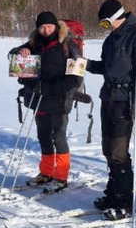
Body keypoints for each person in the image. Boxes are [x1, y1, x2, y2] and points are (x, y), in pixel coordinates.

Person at [86, 0, 136, 220]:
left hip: (126, 99)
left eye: (105, 23)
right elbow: (105, 67)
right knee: (107, 148)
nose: (104, 28)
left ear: (116, 17)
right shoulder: (111, 40)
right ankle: (113, 194)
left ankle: (124, 201)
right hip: (109, 97)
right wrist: (84, 64)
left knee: (118, 151)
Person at [9, 11, 83, 192]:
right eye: (42, 27)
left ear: (56, 26)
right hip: (39, 100)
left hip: (60, 99)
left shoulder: (69, 45)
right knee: (43, 137)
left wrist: (48, 89)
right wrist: (20, 51)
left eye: (49, 26)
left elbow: (76, 79)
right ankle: (46, 172)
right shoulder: (34, 44)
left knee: (58, 137)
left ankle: (61, 176)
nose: (45, 30)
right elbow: (11, 56)